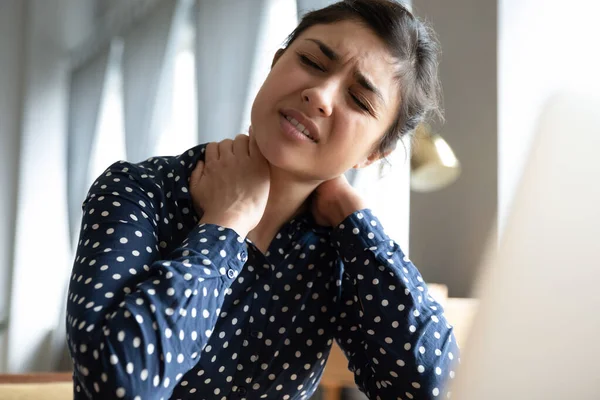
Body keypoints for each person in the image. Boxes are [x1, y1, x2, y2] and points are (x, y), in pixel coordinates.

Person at [66, 0, 459, 399]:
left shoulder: (341, 251)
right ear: (275, 64)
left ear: (373, 154)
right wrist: (225, 225)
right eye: (312, 61)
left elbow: (431, 388)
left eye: (359, 100)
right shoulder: (140, 190)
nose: (319, 94)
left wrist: (358, 222)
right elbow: (114, 386)